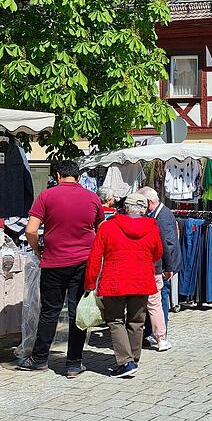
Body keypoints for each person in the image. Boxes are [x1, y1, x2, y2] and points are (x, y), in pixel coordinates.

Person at [16, 160, 104, 378]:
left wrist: (37, 250)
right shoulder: (92, 198)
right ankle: (74, 364)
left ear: (57, 176)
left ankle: (39, 359)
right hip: (83, 262)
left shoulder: (46, 196)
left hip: (54, 262)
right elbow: (102, 230)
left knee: (49, 312)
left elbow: (30, 230)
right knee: (78, 313)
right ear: (77, 176)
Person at [84, 193, 163, 378]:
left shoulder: (108, 227)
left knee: (115, 320)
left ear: (125, 207)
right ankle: (133, 359)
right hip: (141, 280)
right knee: (137, 322)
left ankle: (126, 362)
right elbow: (158, 252)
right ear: (144, 209)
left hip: (115, 280)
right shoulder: (152, 227)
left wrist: (89, 283)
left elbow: (95, 256)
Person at [138, 187, 181, 351]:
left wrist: (165, 267)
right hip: (160, 266)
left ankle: (160, 334)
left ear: (149, 202)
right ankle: (151, 332)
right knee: (154, 300)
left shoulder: (162, 216)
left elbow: (168, 244)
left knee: (160, 299)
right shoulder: (156, 214)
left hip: (162, 267)